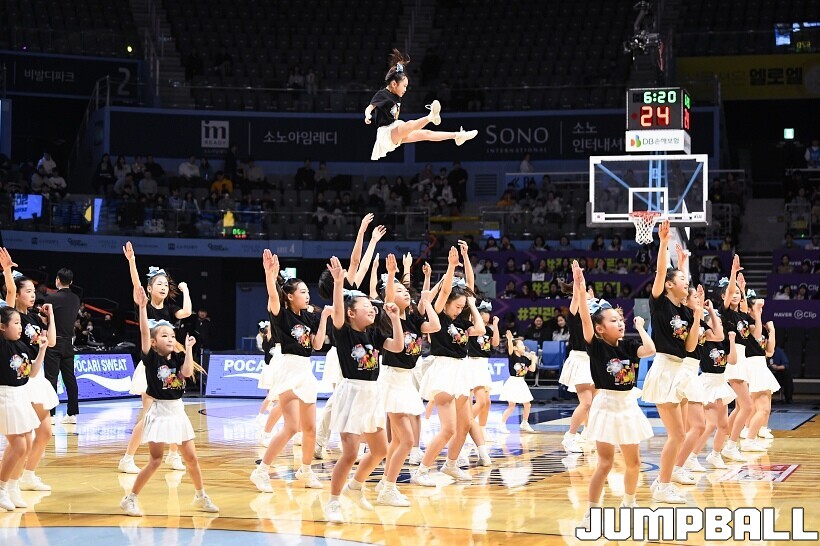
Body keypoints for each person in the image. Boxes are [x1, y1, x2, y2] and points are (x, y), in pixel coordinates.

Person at [119, 286, 218, 517]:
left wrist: (189, 349)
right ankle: (129, 499)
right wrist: (142, 308)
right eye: (164, 336)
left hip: (178, 412)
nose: (170, 339)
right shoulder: (151, 358)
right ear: (154, 342)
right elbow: (144, 332)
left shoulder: (179, 357)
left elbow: (186, 373)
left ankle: (200, 496)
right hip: (159, 412)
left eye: (172, 336)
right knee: (155, 460)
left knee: (191, 458)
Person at [323, 257, 406, 522]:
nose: (372, 309)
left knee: (381, 450)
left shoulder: (374, 334)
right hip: (352, 394)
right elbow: (337, 310)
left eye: (372, 306)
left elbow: (398, 347)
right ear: (351, 313)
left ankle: (355, 486)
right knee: (350, 453)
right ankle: (333, 502)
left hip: (373, 394)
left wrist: (395, 319)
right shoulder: (343, 332)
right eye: (366, 307)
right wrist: (338, 283)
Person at [574, 261, 655, 525]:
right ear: (600, 328)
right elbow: (584, 318)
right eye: (613, 321)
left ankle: (629, 503)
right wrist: (580, 288)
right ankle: (592, 510)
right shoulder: (596, 347)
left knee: (634, 462)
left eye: (621, 320)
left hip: (628, 406)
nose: (620, 323)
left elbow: (651, 350)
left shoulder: (629, 346)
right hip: (606, 405)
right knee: (605, 464)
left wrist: (640, 328)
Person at [250, 251, 331, 493]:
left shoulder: (309, 316)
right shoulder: (281, 315)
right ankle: (261, 471)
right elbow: (273, 295)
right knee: (291, 427)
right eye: (303, 292)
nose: (307, 295)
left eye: (307, 291)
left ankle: (305, 471)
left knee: (310, 428)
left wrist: (324, 318)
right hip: (287, 368)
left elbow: (317, 345)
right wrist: (269, 274)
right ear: (290, 295)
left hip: (306, 369)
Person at [118, 244, 193, 474]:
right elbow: (136, 285)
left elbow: (187, 312)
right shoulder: (144, 306)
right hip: (151, 366)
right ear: (149, 288)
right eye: (158, 284)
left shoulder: (170, 309)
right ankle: (127, 459)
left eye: (165, 284)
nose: (163, 287)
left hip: (170, 367)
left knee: (176, 410)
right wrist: (132, 261)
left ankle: (173, 455)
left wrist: (185, 290)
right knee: (149, 416)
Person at [413, 247, 484, 486]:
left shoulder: (462, 322)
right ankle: (422, 471)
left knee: (464, 426)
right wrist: (452, 266)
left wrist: (472, 304)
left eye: (462, 307)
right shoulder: (439, 315)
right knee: (449, 429)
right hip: (443, 369)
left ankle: (451, 464)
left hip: (461, 370)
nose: (459, 309)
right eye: (457, 306)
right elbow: (444, 291)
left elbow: (479, 328)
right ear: (446, 305)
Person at [640, 221, 698, 504]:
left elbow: (690, 347)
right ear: (669, 286)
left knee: (682, 433)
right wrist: (663, 243)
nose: (687, 283)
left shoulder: (685, 312)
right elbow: (662, 272)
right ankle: (662, 486)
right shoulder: (660, 303)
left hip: (680, 369)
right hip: (664, 369)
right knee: (677, 435)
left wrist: (697, 316)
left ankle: (669, 476)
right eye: (682, 280)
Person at [375, 254, 440, 504]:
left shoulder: (412, 319)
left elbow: (435, 326)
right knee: (408, 440)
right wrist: (393, 274)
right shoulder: (387, 317)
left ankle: (385, 482)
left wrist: (427, 301)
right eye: (399, 291)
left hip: (406, 379)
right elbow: (389, 297)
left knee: (399, 440)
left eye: (406, 291)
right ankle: (389, 488)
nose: (405, 293)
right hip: (393, 377)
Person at [366, 49, 477, 161]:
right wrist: (368, 115)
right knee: (409, 125)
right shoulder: (382, 94)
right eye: (404, 86)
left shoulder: (396, 93)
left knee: (426, 134)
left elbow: (396, 74)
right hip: (385, 133)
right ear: (394, 84)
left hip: (395, 129)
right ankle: (430, 117)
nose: (405, 89)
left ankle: (458, 136)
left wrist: (399, 67)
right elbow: (370, 107)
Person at [0, 304, 50, 511]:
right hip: (5, 396)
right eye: (15, 323)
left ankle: (13, 487)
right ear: (2, 326)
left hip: (21, 395)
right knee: (19, 445)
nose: (20, 327)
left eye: (20, 323)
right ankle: (1, 488)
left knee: (27, 443)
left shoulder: (21, 345)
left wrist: (42, 349)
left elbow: (32, 373)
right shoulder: (2, 345)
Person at [13, 269, 59, 494]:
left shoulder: (33, 317)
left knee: (45, 432)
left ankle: (28, 475)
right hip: (23, 376)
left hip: (37, 374)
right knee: (25, 435)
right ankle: (13, 480)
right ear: (16, 294)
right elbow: (9, 291)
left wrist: (51, 318)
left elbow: (51, 342)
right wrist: (7, 271)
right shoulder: (11, 316)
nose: (33, 295)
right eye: (28, 291)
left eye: (34, 291)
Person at [559, 282, 596, 454]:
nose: (586, 301)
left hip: (593, 359)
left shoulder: (595, 317)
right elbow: (576, 298)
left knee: (593, 403)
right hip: (580, 360)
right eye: (583, 299)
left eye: (589, 299)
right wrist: (578, 283)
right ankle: (569, 437)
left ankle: (588, 433)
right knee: (586, 402)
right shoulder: (574, 316)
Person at [43, 269, 81, 422]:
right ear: (71, 282)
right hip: (68, 342)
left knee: (51, 378)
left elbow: (44, 319)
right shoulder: (76, 299)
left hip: (54, 341)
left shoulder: (52, 298)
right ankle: (72, 414)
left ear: (57, 279)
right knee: (70, 378)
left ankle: (51, 415)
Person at [499, 331, 537, 431]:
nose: (524, 347)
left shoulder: (524, 359)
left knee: (527, 404)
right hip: (513, 382)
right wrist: (510, 339)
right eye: (521, 345)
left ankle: (524, 423)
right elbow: (510, 348)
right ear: (515, 348)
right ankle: (502, 424)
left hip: (521, 382)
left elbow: (532, 369)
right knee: (511, 406)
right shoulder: (512, 356)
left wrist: (533, 359)